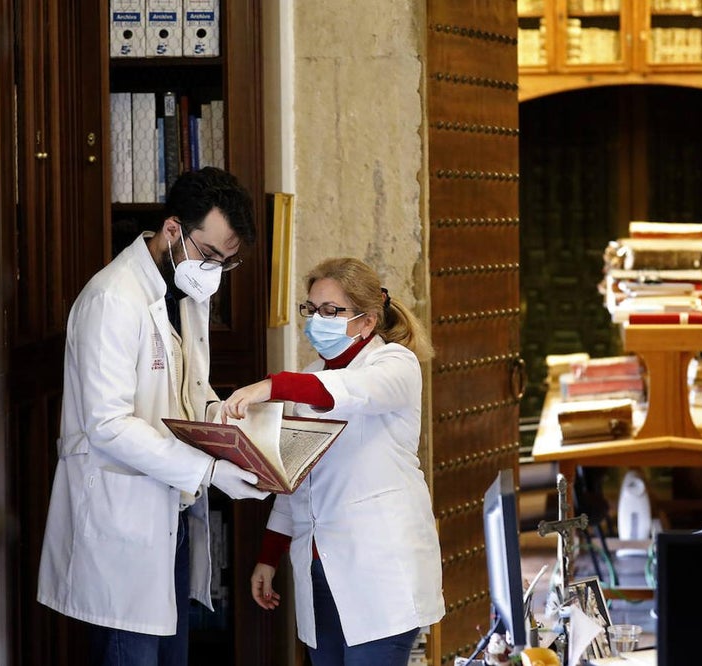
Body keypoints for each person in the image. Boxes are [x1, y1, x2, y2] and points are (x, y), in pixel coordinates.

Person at [37, 167, 270, 666]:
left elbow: (190, 390)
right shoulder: (112, 298)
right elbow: (108, 425)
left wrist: (238, 430)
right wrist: (209, 470)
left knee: (171, 654)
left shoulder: (183, 295)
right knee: (132, 652)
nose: (213, 271)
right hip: (123, 518)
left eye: (226, 264)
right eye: (209, 255)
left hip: (172, 512)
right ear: (172, 230)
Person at [219, 257, 446, 666]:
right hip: (318, 568)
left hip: (380, 571)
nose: (316, 320)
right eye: (311, 309)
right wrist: (269, 555)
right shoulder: (309, 376)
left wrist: (272, 386)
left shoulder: (395, 365)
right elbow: (296, 474)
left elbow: (348, 390)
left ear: (366, 321)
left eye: (330, 311)